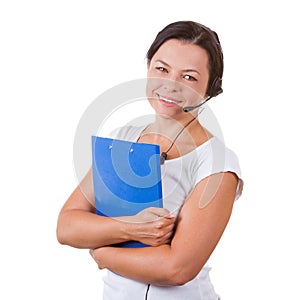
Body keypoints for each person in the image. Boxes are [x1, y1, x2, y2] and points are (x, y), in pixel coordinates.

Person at [57, 20, 243, 300]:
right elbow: (67, 226)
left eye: (189, 77)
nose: (171, 85)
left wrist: (102, 251)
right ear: (148, 68)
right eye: (162, 69)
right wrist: (132, 228)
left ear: (210, 89)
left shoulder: (217, 163)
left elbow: (177, 268)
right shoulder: (122, 139)